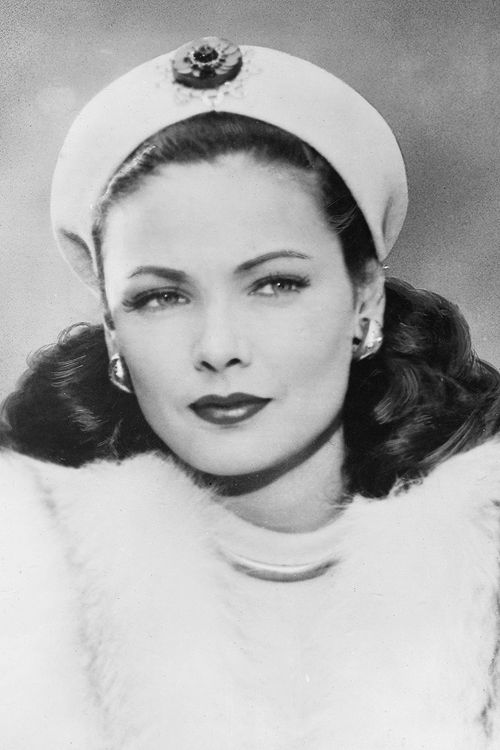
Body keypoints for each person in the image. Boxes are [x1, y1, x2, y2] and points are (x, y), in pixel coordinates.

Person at [1, 36, 500, 748]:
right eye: (161, 297)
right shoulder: (29, 581)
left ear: (366, 302)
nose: (218, 348)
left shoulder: (485, 566)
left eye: (275, 284)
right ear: (113, 332)